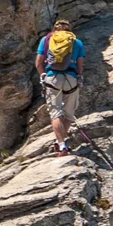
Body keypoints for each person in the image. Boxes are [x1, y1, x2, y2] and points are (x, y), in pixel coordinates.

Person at [35, 18, 85, 156]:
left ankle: (61, 143)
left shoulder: (46, 40)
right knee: (69, 113)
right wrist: (79, 77)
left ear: (55, 28)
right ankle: (60, 142)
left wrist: (43, 76)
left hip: (52, 77)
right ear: (69, 28)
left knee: (56, 112)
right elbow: (80, 65)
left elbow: (38, 63)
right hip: (71, 78)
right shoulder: (76, 42)